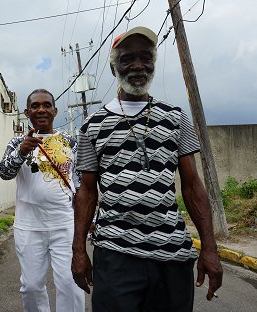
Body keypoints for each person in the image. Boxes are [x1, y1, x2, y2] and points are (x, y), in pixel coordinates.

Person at [71, 26, 223, 311]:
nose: (138, 66)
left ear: (153, 63)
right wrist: (78, 249)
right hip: (115, 253)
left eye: (146, 58)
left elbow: (192, 186)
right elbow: (87, 192)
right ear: (115, 66)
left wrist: (210, 248)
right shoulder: (92, 126)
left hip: (172, 253)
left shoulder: (176, 118)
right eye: (128, 59)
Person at [0, 89, 85, 312]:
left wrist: (88, 218)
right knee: (31, 286)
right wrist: (20, 152)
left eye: (46, 105)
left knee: (70, 283)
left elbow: (80, 184)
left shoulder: (70, 141)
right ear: (27, 112)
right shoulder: (18, 142)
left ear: (55, 111)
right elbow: (4, 173)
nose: (41, 110)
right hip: (29, 227)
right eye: (35, 106)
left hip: (64, 225)